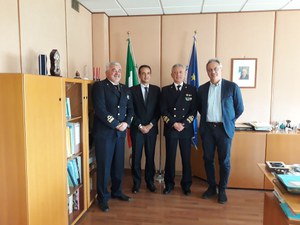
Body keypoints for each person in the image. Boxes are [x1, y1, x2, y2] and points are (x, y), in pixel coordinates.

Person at [197, 58, 244, 204]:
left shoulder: (232, 87)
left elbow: (239, 108)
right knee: (208, 159)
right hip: (208, 129)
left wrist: (228, 120)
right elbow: (200, 108)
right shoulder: (202, 89)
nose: (213, 72)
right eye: (210, 70)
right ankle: (211, 187)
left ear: (220, 69)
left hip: (224, 129)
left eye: (215, 69)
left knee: (224, 161)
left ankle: (222, 189)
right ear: (207, 72)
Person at [92, 62, 134, 212]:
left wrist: (126, 123)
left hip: (120, 133)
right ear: (106, 72)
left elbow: (131, 110)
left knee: (118, 165)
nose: (117, 72)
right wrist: (117, 123)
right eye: (113, 70)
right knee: (104, 167)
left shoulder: (125, 88)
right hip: (105, 133)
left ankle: (117, 191)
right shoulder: (99, 87)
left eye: (119, 70)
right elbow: (100, 110)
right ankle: (102, 198)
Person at [160, 64, 197, 196]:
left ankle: (186, 185)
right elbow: (163, 110)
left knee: (186, 159)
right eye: (175, 72)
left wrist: (184, 124)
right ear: (171, 74)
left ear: (184, 74)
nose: (178, 75)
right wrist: (174, 123)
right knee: (170, 158)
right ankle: (169, 184)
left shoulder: (192, 90)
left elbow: (193, 111)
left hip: (185, 130)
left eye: (180, 72)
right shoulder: (165, 90)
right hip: (171, 129)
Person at [130, 65, 161, 194]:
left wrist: (150, 125)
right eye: (143, 73)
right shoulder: (132, 90)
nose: (146, 76)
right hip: (137, 129)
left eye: (148, 73)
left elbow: (159, 110)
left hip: (151, 129)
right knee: (136, 157)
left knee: (150, 156)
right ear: (139, 75)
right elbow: (131, 111)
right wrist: (140, 126)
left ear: (150, 74)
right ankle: (136, 184)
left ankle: (150, 182)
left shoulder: (156, 90)